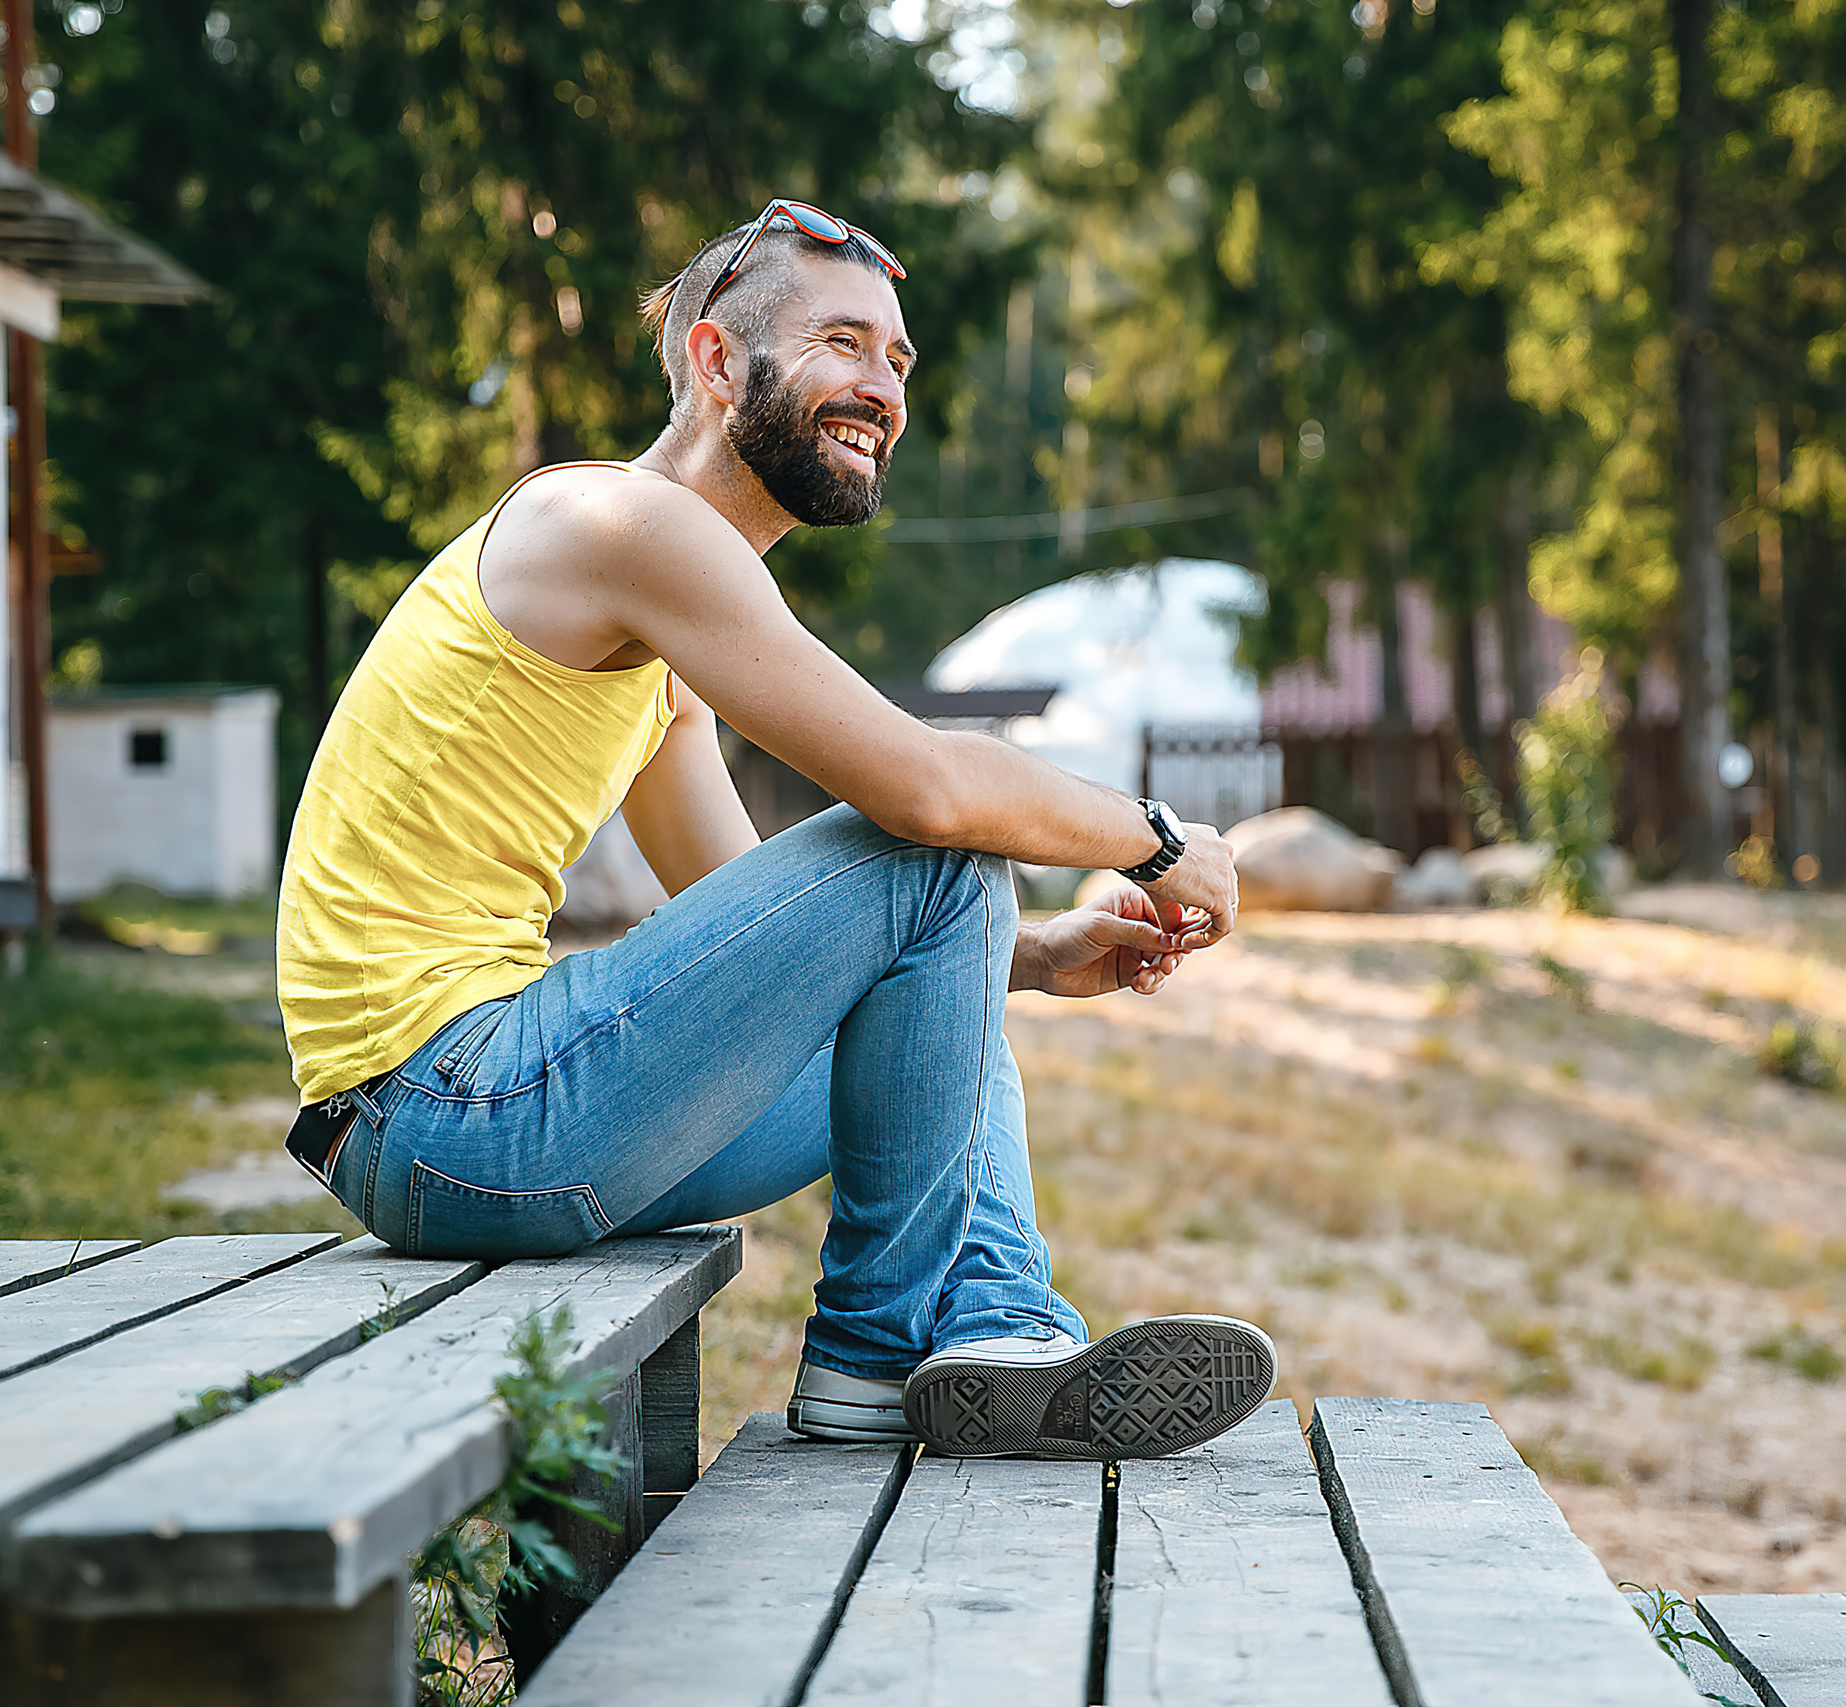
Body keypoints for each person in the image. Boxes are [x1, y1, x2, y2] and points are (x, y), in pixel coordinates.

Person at [276, 199, 1273, 1461]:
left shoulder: (658, 637)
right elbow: (925, 793)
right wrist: (1155, 837)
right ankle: (880, 1344)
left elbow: (743, 908)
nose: (883, 388)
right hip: (442, 1107)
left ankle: (994, 1332)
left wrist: (1021, 956)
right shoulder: (621, 526)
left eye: (898, 360)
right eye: (842, 342)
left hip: (463, 1138)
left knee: (947, 944)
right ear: (715, 359)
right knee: (937, 846)